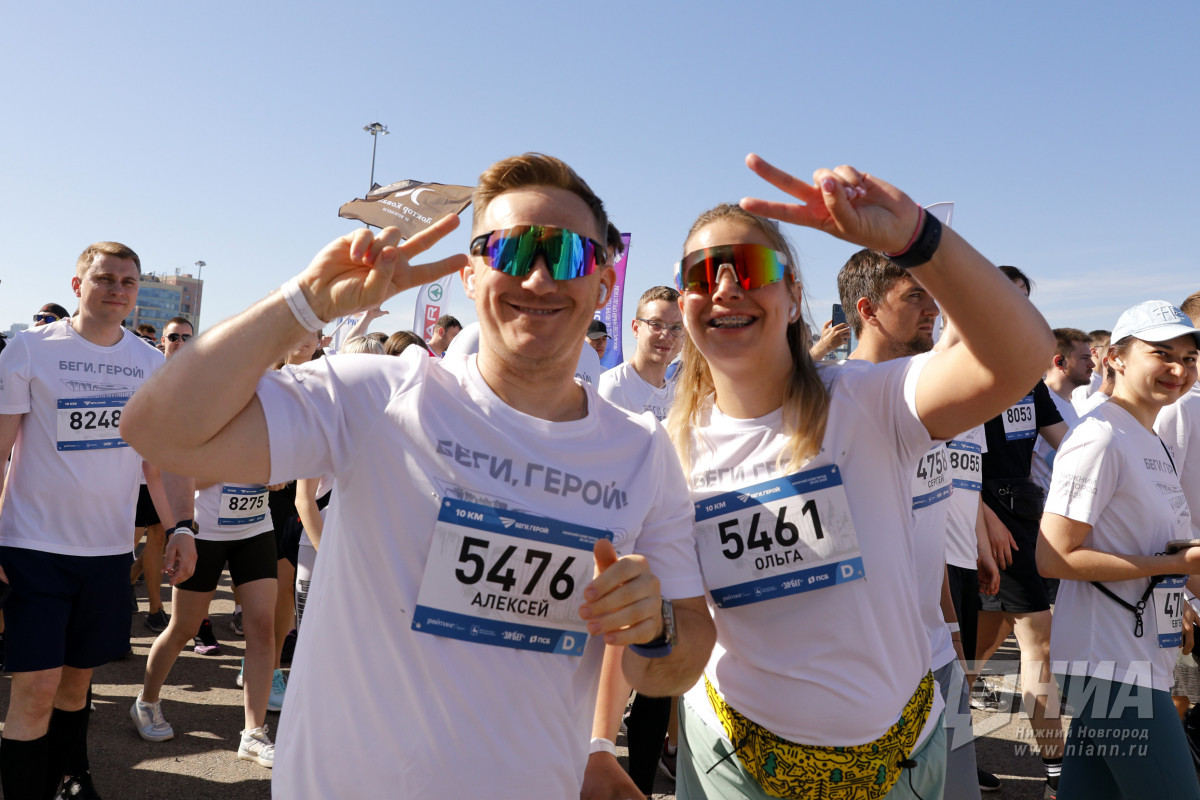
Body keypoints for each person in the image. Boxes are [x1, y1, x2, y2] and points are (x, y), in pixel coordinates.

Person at [120, 152, 715, 800]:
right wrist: (305, 303)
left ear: (602, 283)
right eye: (511, 250)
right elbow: (157, 430)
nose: (539, 277)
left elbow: (680, 660)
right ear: (470, 273)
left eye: (568, 254)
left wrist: (654, 626)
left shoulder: (642, 452)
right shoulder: (377, 395)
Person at [597, 155, 1051, 800]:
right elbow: (672, 657)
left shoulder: (867, 398)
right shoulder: (666, 449)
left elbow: (1023, 354)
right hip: (736, 765)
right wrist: (647, 633)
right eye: (702, 273)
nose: (725, 287)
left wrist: (916, 239)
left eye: (750, 268)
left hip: (899, 760)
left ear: (792, 298)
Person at [0, 242, 196, 800]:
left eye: (128, 282)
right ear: (77, 285)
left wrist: (181, 528)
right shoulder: (29, 349)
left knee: (76, 684)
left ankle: (71, 779)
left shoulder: (149, 363)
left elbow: (157, 465)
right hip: (33, 547)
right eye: (105, 278)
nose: (117, 290)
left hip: (107, 554)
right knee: (36, 688)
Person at [838, 246, 986, 799]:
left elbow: (925, 534)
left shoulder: (926, 401)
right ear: (868, 310)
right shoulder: (838, 401)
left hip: (938, 656)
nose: (933, 310)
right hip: (874, 672)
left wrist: (951, 634)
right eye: (915, 296)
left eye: (934, 296)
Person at [1036, 299, 1200, 799]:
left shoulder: (1149, 438)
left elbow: (1147, 544)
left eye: (1189, 358)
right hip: (1108, 661)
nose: (1178, 369)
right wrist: (1172, 564)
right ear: (1116, 359)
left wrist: (1178, 590)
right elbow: (1054, 556)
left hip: (1137, 655)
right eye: (1161, 354)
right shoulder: (1099, 437)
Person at [972, 266, 1068, 798]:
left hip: (1022, 518)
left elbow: (1068, 444)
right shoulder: (963, 366)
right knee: (1035, 642)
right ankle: (1056, 773)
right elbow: (942, 450)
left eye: (1025, 299)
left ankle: (946, 751)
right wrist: (980, 514)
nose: (1018, 307)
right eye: (1008, 296)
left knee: (979, 648)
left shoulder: (1030, 376)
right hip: (978, 521)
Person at [131, 469, 280, 768]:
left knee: (263, 628)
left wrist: (280, 473)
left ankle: (253, 733)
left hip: (256, 528)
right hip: (204, 532)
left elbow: (284, 460)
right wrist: (239, 464)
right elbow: (179, 476)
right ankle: (146, 702)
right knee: (184, 628)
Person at [599, 286, 685, 422]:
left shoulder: (678, 396)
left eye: (676, 327)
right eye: (656, 324)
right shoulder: (614, 387)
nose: (666, 336)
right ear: (636, 328)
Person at [1031, 328, 1092, 493]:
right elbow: (1026, 465)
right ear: (1059, 362)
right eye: (1084, 358)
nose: (1092, 365)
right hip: (1044, 506)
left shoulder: (1069, 404)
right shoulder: (1039, 403)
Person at [1069, 329, 1111, 405]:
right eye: (1108, 347)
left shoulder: (1099, 379)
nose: (1113, 351)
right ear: (1094, 352)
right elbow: (1083, 410)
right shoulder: (1089, 381)